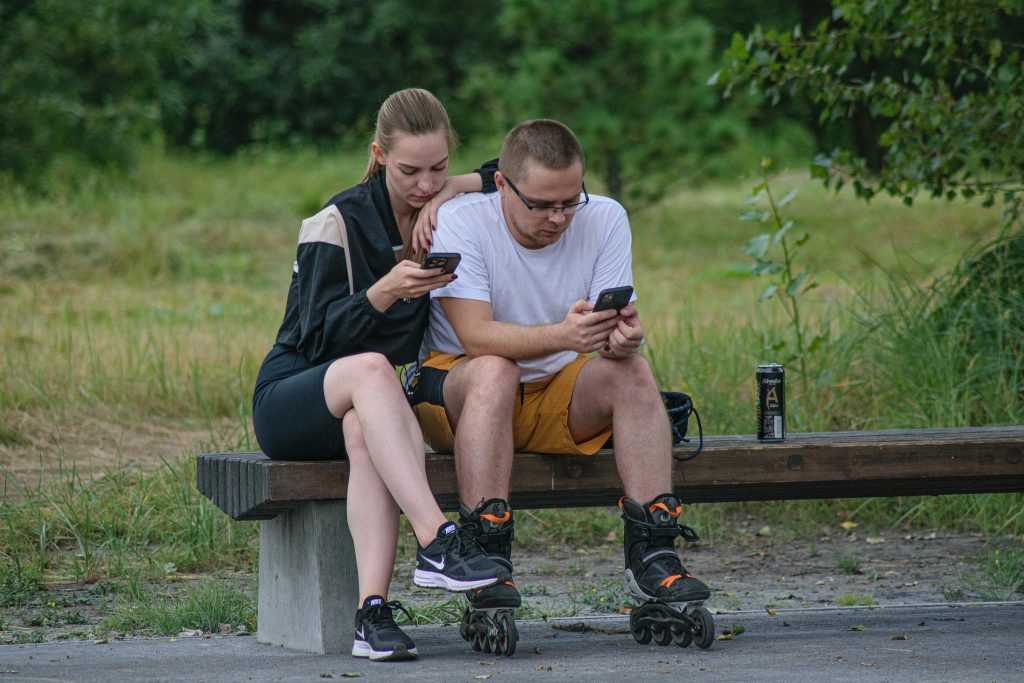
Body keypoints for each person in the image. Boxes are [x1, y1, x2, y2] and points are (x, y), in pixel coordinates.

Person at [411, 119, 711, 645]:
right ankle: (486, 557)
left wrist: (621, 339)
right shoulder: (460, 221)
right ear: (502, 185)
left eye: (570, 202)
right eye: (543, 205)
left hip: (554, 394)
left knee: (633, 372)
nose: (559, 218)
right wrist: (565, 334)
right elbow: (476, 336)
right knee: (495, 369)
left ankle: (653, 552)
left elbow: (604, 334)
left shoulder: (606, 217)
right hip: (460, 392)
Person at [251, 88, 509, 663]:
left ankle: (372, 613)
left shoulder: (436, 210)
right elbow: (314, 339)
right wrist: (383, 293)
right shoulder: (334, 221)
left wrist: (452, 192)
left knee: (366, 430)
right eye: (409, 171)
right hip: (295, 396)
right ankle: (438, 540)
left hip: (373, 406)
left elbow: (509, 175)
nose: (423, 183)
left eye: (437, 168)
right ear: (378, 155)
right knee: (371, 369)